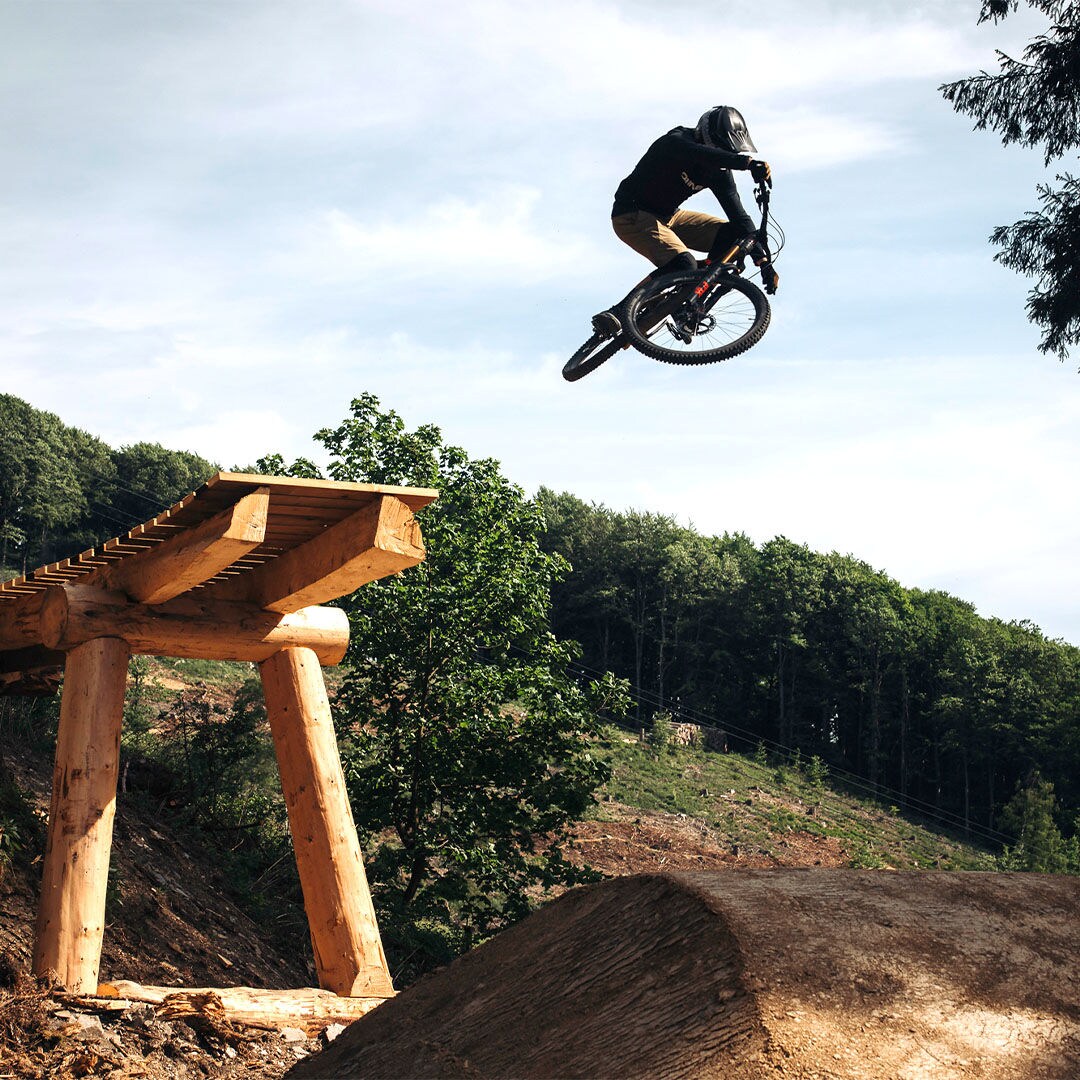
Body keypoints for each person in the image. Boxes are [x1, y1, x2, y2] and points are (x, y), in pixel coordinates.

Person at [593, 105, 778, 337]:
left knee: (733, 235)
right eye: (722, 148)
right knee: (684, 264)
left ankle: (690, 301)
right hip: (632, 215)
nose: (725, 155)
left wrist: (764, 262)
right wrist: (747, 164)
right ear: (708, 138)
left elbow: (740, 218)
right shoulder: (676, 141)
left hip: (669, 217)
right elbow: (698, 154)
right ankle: (618, 313)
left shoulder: (719, 172)